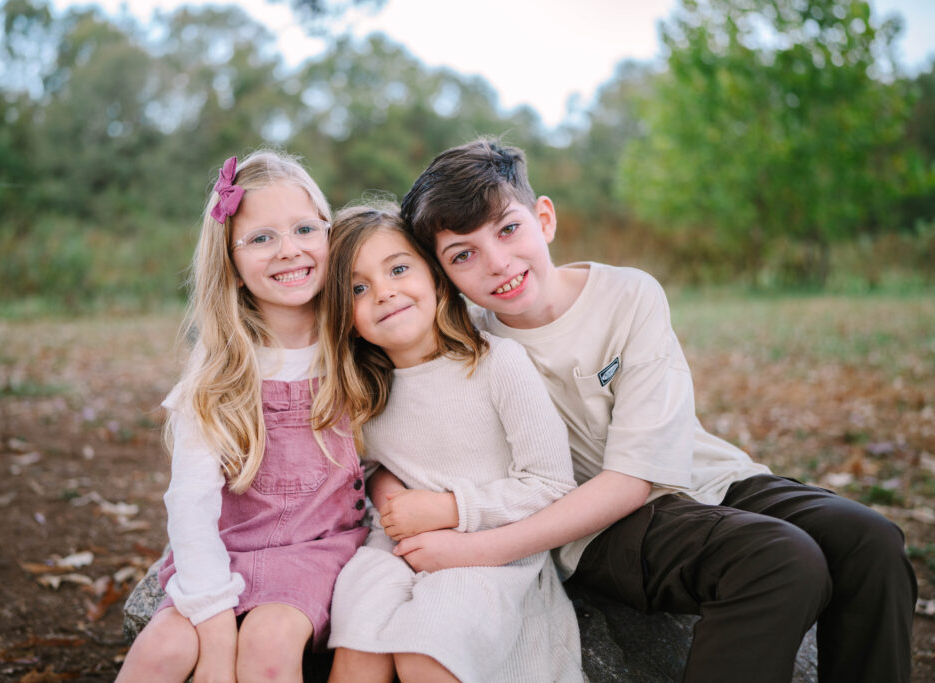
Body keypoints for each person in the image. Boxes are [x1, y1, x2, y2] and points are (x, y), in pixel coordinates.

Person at [389, 137, 918, 683]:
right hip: (596, 527)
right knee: (782, 561)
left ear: (543, 217)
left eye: (508, 229)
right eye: (463, 255)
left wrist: (475, 550)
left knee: (871, 541)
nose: (497, 263)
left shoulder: (627, 295)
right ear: (442, 274)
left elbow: (638, 473)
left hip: (704, 475)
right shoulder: (465, 344)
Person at [115, 152, 368, 683]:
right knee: (159, 652)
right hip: (223, 553)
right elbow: (190, 505)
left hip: (314, 553)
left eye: (304, 229)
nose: (289, 250)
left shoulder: (356, 348)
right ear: (229, 259)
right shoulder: (219, 374)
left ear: (330, 234)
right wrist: (213, 634)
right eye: (260, 238)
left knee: (269, 652)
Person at [311, 203, 583, 683]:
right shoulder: (363, 392)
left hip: (490, 549)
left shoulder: (498, 363)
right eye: (358, 287)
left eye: (398, 269)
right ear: (346, 316)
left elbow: (551, 483)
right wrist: (391, 500)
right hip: (397, 547)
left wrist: (450, 510)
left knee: (426, 653)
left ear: (437, 278)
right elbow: (373, 468)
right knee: (359, 640)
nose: (385, 292)